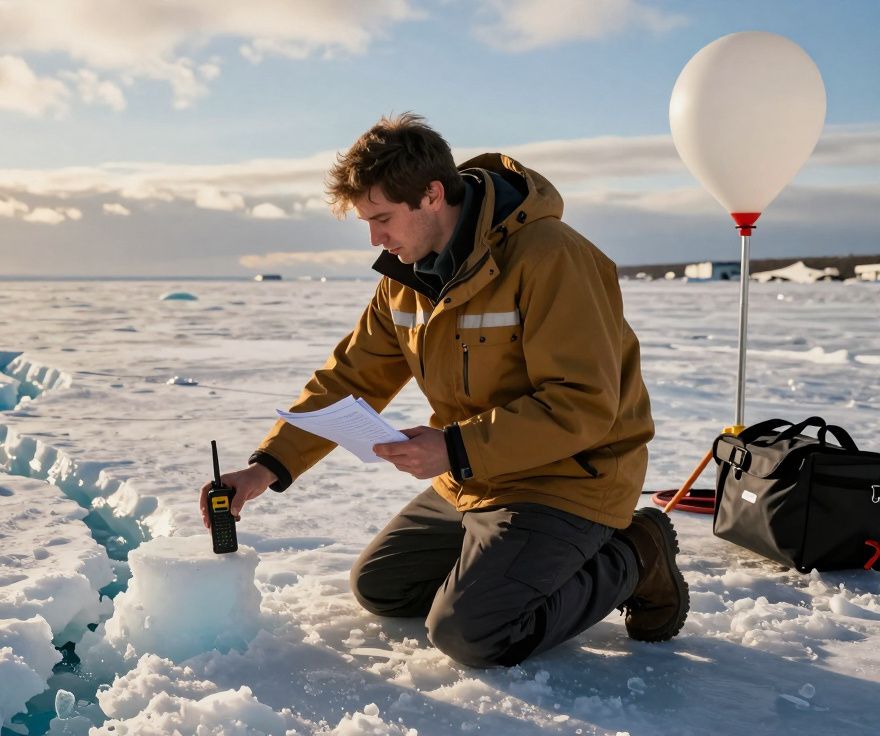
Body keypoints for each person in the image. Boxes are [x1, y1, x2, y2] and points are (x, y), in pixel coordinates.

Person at [199, 112, 688, 668]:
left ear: (432, 195)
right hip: (474, 477)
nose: (375, 238)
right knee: (382, 588)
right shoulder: (404, 280)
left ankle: (636, 555)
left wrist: (454, 447)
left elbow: (583, 403)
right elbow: (349, 378)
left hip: (570, 477)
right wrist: (265, 468)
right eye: (367, 222)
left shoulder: (550, 256)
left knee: (472, 634)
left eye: (382, 218)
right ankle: (501, 560)